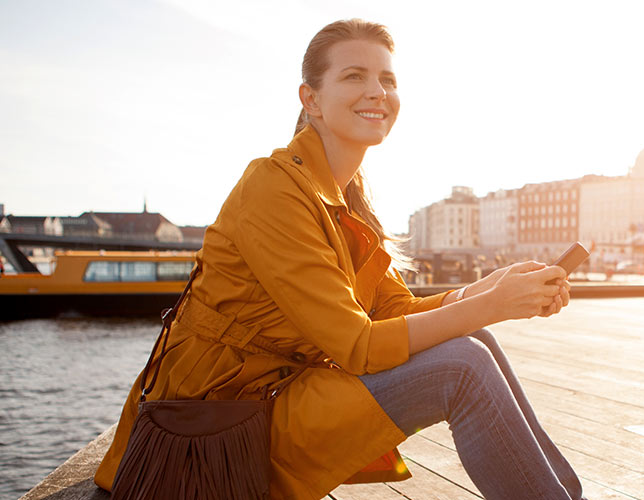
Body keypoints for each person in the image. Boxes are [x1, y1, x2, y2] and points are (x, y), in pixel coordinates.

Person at [95, 20, 585, 500]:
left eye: (387, 79)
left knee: (474, 338)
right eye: (355, 76)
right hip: (208, 431)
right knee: (462, 364)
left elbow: (392, 313)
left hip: (270, 401)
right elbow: (357, 345)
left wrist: (483, 291)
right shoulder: (273, 186)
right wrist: (493, 303)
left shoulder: (347, 200)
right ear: (310, 99)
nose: (377, 91)